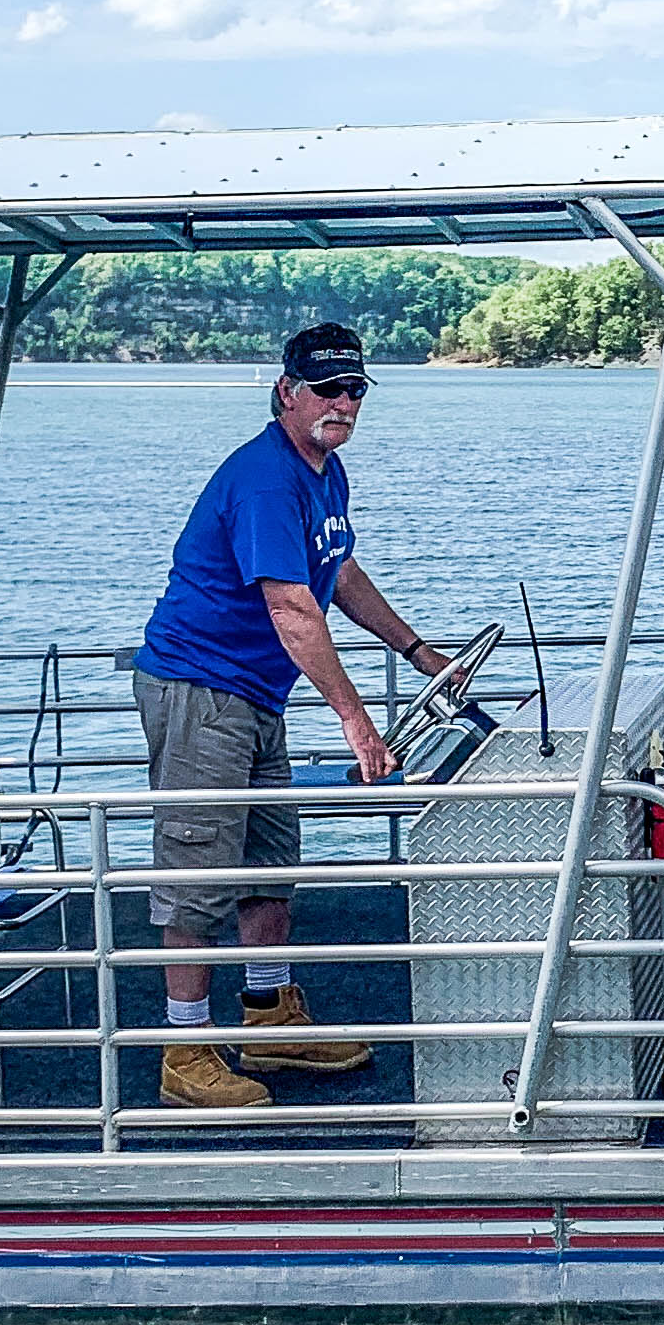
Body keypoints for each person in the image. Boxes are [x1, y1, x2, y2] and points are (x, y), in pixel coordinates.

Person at [130, 323, 454, 1110]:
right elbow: (291, 607)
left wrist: (417, 650)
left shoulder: (325, 472)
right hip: (200, 688)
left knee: (269, 861)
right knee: (199, 873)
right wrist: (355, 718)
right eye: (326, 389)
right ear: (287, 392)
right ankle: (185, 1048)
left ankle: (270, 1014)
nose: (342, 402)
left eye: (355, 389)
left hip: (258, 693)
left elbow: (337, 570)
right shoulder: (266, 480)